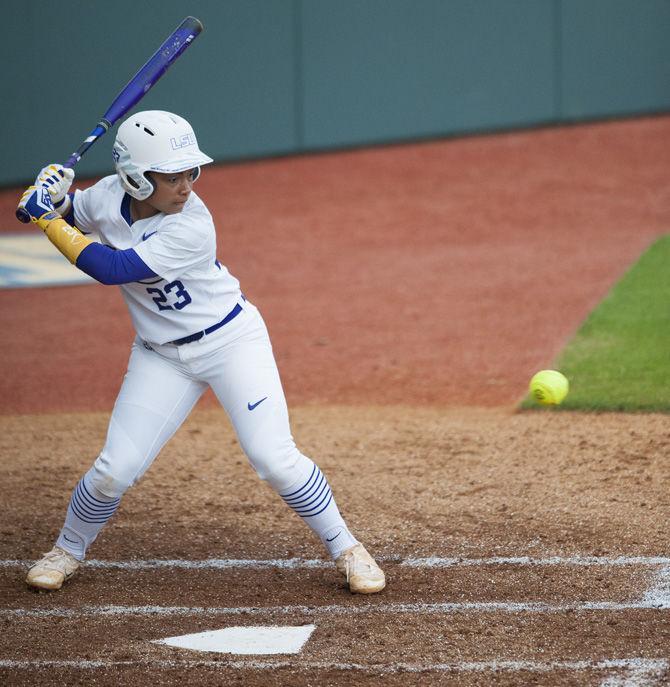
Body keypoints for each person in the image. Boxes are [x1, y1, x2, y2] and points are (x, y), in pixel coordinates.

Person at [18, 110, 385, 595]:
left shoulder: (192, 225)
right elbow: (64, 216)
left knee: (273, 458)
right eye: (173, 176)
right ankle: (66, 549)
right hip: (160, 356)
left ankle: (349, 549)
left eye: (192, 172)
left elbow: (109, 266)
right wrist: (53, 198)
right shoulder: (106, 196)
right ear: (134, 178)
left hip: (231, 343)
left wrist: (46, 215)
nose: (187, 185)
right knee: (115, 468)